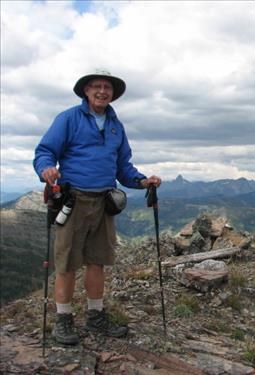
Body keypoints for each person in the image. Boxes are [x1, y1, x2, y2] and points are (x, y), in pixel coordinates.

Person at [33, 69, 161, 345]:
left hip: (103, 202)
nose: (102, 91)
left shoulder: (116, 125)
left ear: (112, 93)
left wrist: (142, 181)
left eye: (107, 87)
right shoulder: (68, 118)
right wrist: (46, 168)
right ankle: (63, 320)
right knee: (66, 263)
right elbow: (45, 151)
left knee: (97, 261)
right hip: (73, 200)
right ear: (86, 91)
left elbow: (123, 167)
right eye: (96, 87)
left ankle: (95, 317)